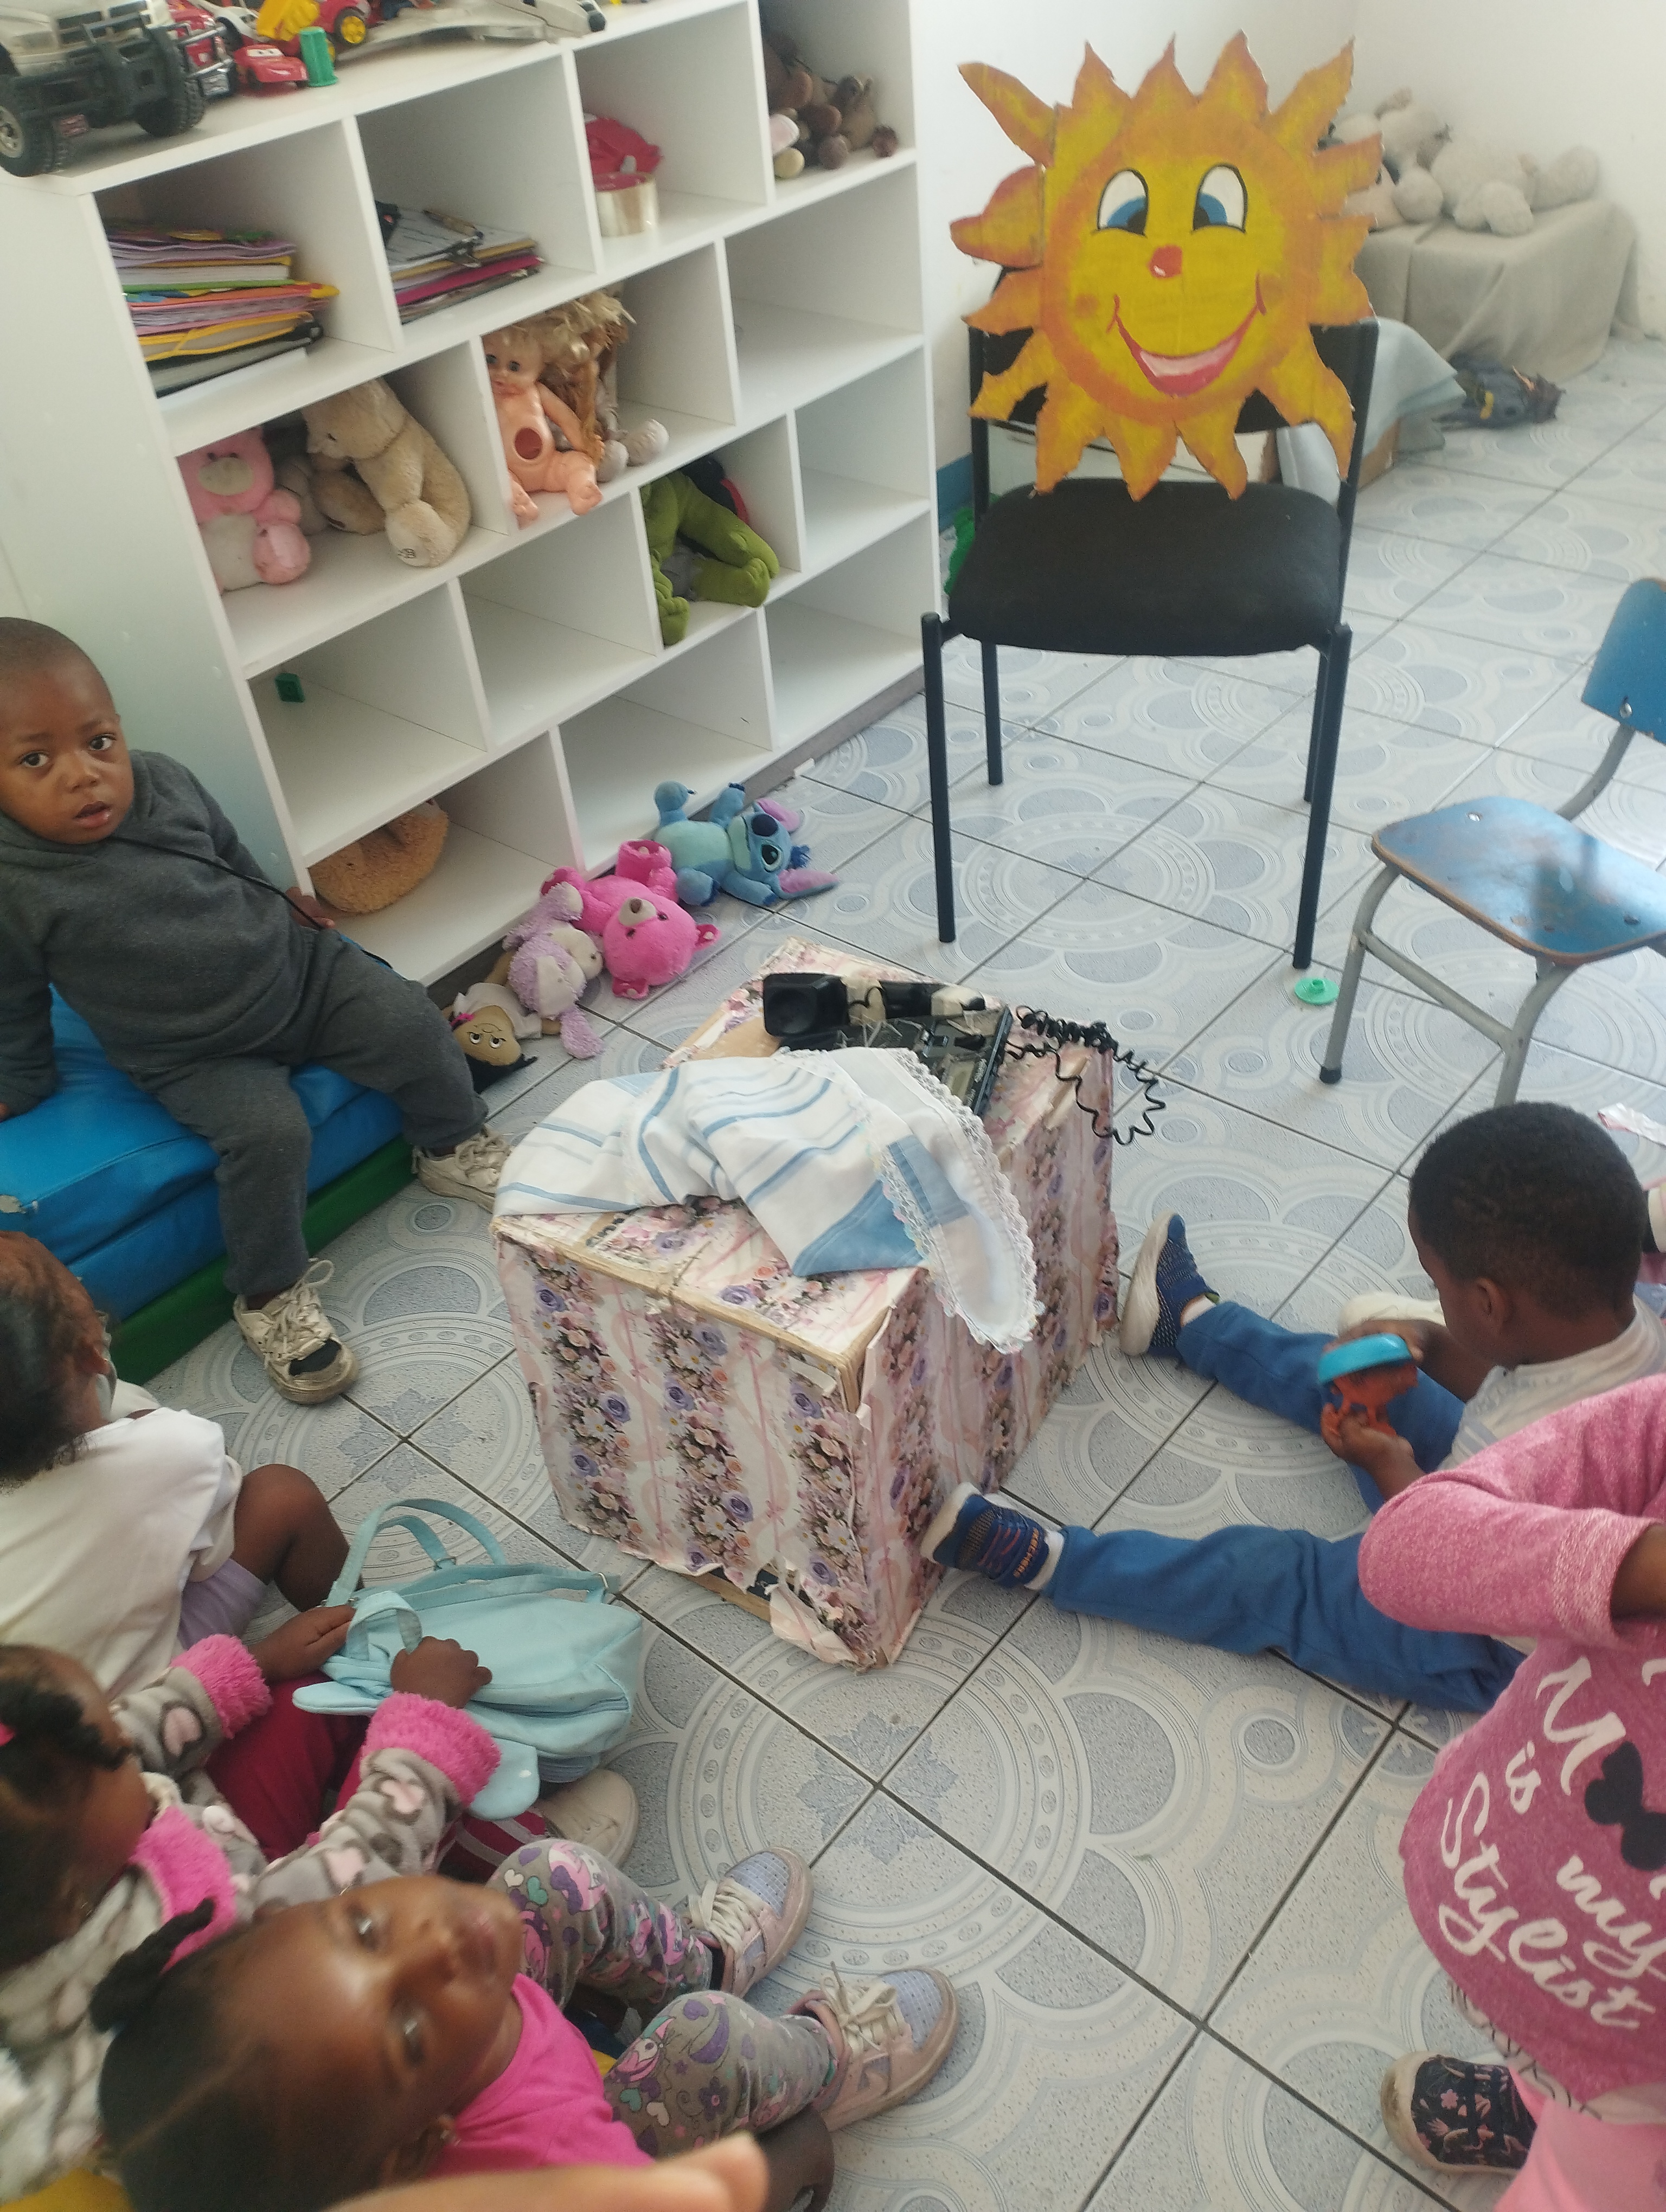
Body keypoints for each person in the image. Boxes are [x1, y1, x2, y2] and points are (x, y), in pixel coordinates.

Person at [926, 1103, 1666, 1711]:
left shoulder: (1528, 1441)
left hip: (1492, 1635)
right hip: (1514, 1512)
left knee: (1277, 1578)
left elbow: (1449, 1559)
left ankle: (1052, 1564)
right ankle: (1189, 1324)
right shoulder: (1635, 1329)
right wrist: (1431, 1346)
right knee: (1361, 1372)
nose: (1433, 1298)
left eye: (1437, 1287)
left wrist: (1391, 1465)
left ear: (1491, 1304)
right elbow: (1513, 1376)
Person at [0, 619, 511, 1404]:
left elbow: (229, 858)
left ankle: (451, 1143)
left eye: (99, 742)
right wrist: (21, 1083)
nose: (83, 776)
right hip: (193, 1053)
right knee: (270, 1136)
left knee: (411, 1020)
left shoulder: (166, 781)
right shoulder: (14, 882)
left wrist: (284, 901)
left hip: (299, 974)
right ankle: (269, 1294)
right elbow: (15, 998)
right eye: (36, 760)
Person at [94, 1837, 959, 2212]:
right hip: (607, 2145)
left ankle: (704, 1961)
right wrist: (781, 2165)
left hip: (498, 2055)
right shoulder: (551, 2168)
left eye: (363, 1928)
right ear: (419, 2147)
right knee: (713, 2040)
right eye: (406, 2031)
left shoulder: (346, 2037)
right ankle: (824, 2065)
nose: (433, 1945)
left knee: (550, 1878)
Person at [0, 1628, 499, 2199]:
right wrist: (425, 1726)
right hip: (271, 1919)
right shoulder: (171, 1958)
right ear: (77, 1898)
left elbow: (113, 1738)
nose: (124, 1736)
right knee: (394, 1846)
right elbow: (347, 1884)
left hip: (217, 1848)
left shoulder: (44, 1856)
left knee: (296, 1696)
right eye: (117, 1752)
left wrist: (254, 1664)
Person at [1351, 1372, 1666, 2201]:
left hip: (1636, 2093)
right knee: (1551, 2086)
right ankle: (1534, 2102)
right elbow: (1404, 1546)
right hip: (1494, 1904)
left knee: (1576, 2185)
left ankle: (1559, 2141)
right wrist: (1639, 1565)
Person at [0, 1231, 347, 1697]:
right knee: (284, 1496)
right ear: (91, 1352)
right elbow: (206, 1549)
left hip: (33, 1716)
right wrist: (261, 1663)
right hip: (148, 1708)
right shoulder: (175, 1449)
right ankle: (366, 1638)